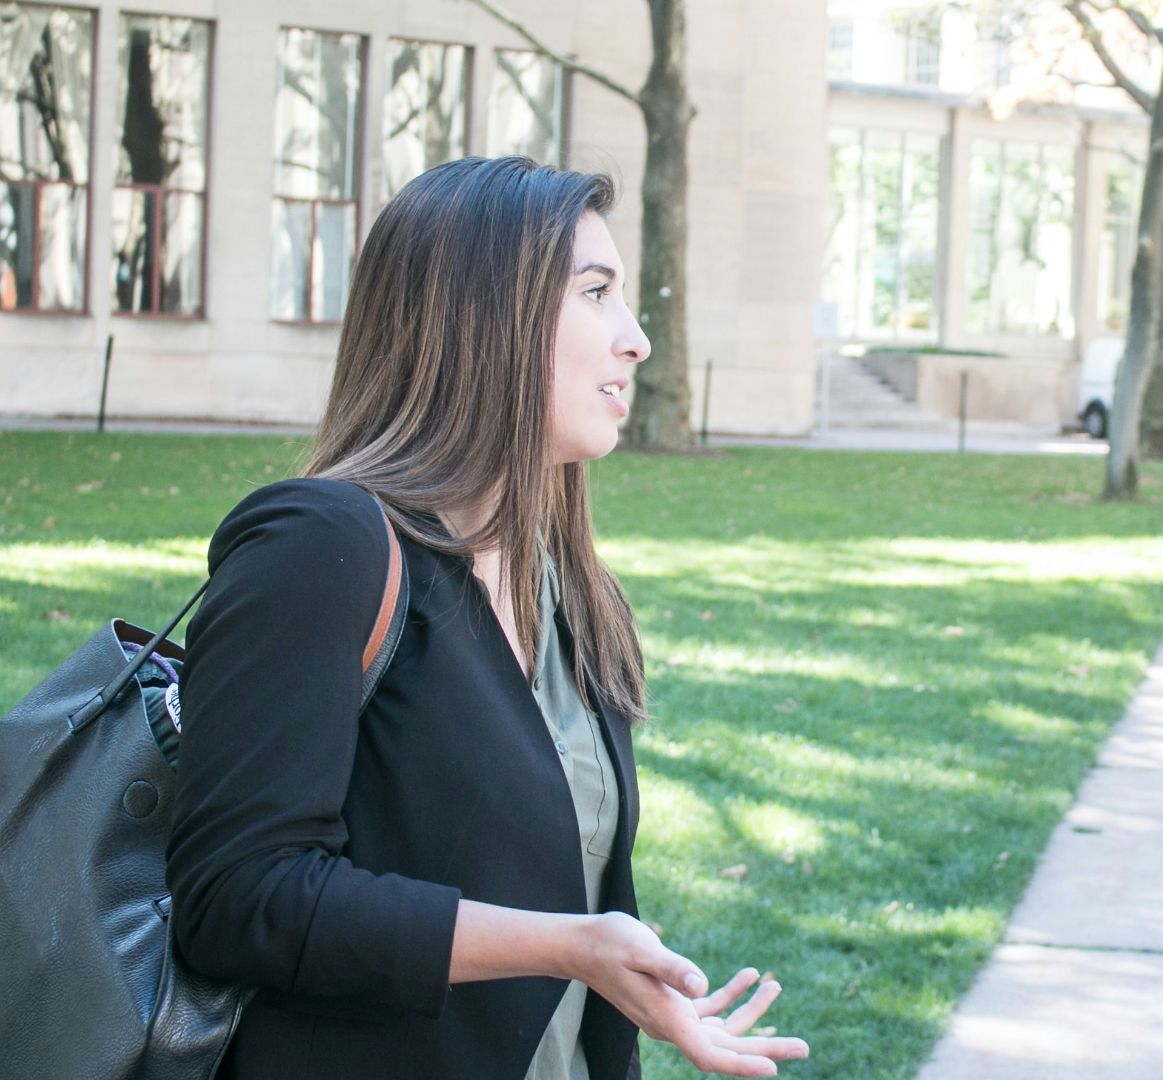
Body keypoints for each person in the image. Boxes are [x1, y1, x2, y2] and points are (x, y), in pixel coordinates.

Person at [166, 156, 811, 1079]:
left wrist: (612, 969)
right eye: (596, 293)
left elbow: (547, 876)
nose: (636, 340)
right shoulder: (323, 542)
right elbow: (236, 899)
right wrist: (563, 944)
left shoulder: (571, 590)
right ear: (481, 315)